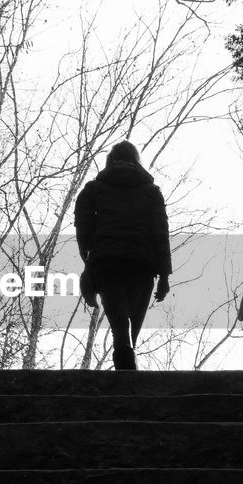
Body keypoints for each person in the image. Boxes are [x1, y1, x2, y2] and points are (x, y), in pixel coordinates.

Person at [74, 141, 171, 370]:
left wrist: (88, 258)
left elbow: (82, 226)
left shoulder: (94, 189)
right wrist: (164, 274)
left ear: (110, 161)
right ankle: (128, 375)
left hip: (106, 261)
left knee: (119, 321)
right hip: (142, 263)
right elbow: (160, 233)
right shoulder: (152, 192)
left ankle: (125, 369)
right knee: (132, 323)